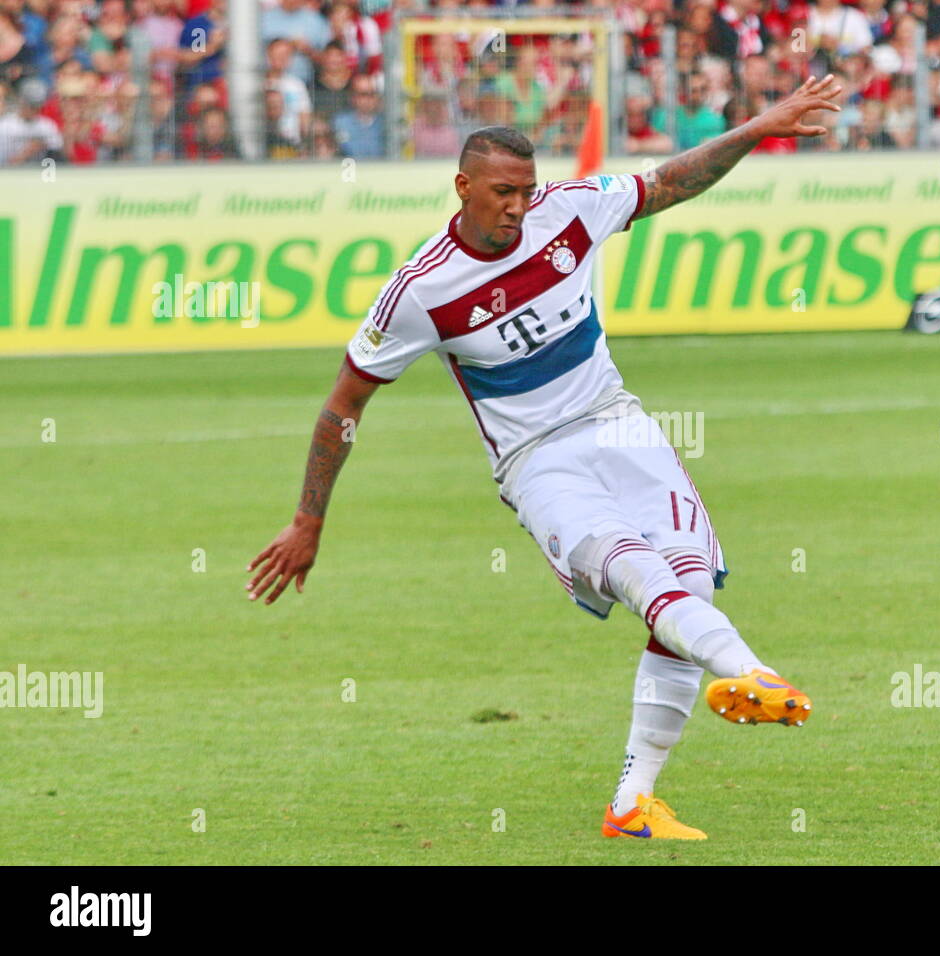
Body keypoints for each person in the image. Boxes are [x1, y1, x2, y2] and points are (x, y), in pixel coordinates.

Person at [246, 75, 843, 842]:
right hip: (537, 461)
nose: (518, 206)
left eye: (526, 190)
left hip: (617, 425)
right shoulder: (421, 292)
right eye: (502, 192)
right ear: (462, 187)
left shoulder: (571, 211)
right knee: (637, 570)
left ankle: (634, 803)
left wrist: (761, 125)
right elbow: (344, 405)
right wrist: (307, 520)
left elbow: (668, 182)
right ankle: (752, 672)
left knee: (689, 583)